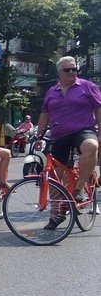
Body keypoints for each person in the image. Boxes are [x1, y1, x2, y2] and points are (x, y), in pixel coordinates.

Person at [36, 56, 101, 211]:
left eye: (74, 69)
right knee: (55, 176)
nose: (72, 72)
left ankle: (78, 188)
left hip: (83, 131)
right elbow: (45, 114)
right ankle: (56, 213)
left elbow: (99, 109)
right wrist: (38, 136)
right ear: (59, 72)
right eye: (67, 70)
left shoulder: (87, 86)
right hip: (59, 135)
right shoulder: (52, 91)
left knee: (91, 146)